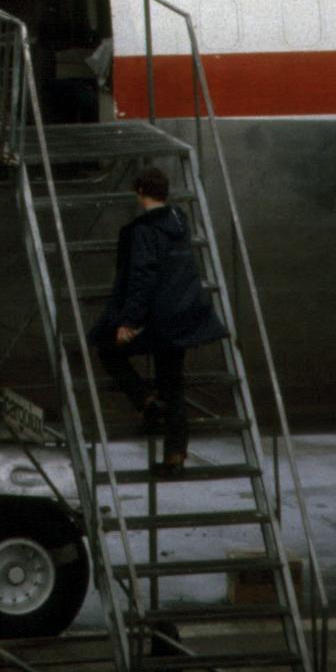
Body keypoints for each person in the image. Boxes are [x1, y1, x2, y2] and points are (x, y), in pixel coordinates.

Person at [90, 167, 228, 468]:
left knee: (108, 352)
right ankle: (175, 454)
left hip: (157, 319)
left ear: (140, 192)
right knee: (173, 384)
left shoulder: (142, 231)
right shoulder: (179, 220)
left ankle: (146, 402)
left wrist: (128, 321)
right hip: (182, 315)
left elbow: (142, 277)